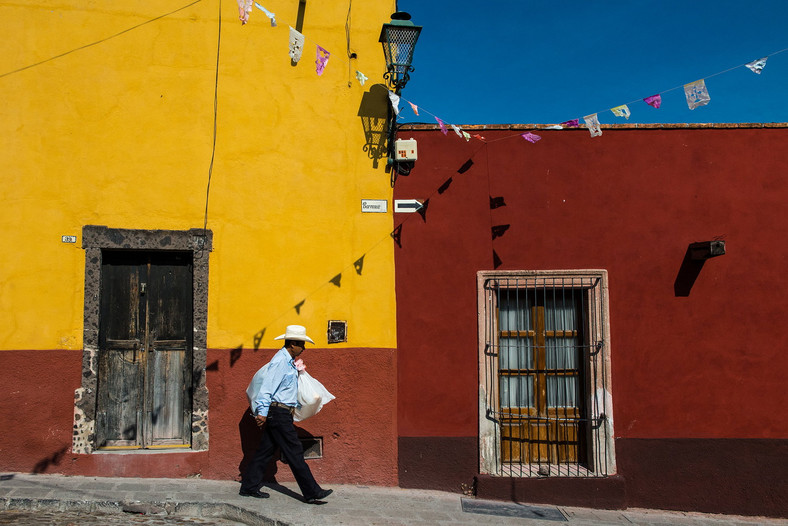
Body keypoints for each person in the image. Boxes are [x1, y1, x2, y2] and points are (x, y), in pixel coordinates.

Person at [239, 325, 333, 504]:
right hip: (278, 413)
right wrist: (262, 413)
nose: (303, 348)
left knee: (265, 451)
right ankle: (312, 491)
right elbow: (267, 388)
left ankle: (248, 487)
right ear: (292, 344)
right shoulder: (280, 361)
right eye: (301, 345)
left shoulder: (288, 361)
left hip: (282, 413)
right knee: (294, 451)